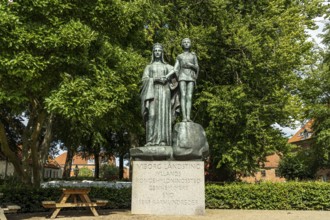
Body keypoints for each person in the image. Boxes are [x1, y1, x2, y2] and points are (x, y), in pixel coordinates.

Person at [141, 43, 176, 146]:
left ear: (162, 53)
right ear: (153, 52)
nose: (157, 52)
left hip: (165, 92)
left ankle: (163, 141)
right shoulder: (149, 67)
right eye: (155, 50)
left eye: (159, 50)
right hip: (152, 93)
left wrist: (169, 79)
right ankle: (150, 140)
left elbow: (176, 76)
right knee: (152, 115)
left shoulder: (167, 67)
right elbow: (144, 80)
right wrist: (155, 79)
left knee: (163, 115)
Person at [173, 38, 199, 122]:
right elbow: (175, 68)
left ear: (190, 44)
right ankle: (184, 117)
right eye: (184, 42)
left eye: (188, 42)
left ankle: (188, 117)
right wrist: (178, 76)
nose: (186, 43)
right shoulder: (179, 56)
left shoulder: (193, 55)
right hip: (182, 75)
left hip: (191, 76)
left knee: (189, 96)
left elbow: (197, 67)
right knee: (183, 95)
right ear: (182, 44)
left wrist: (191, 65)